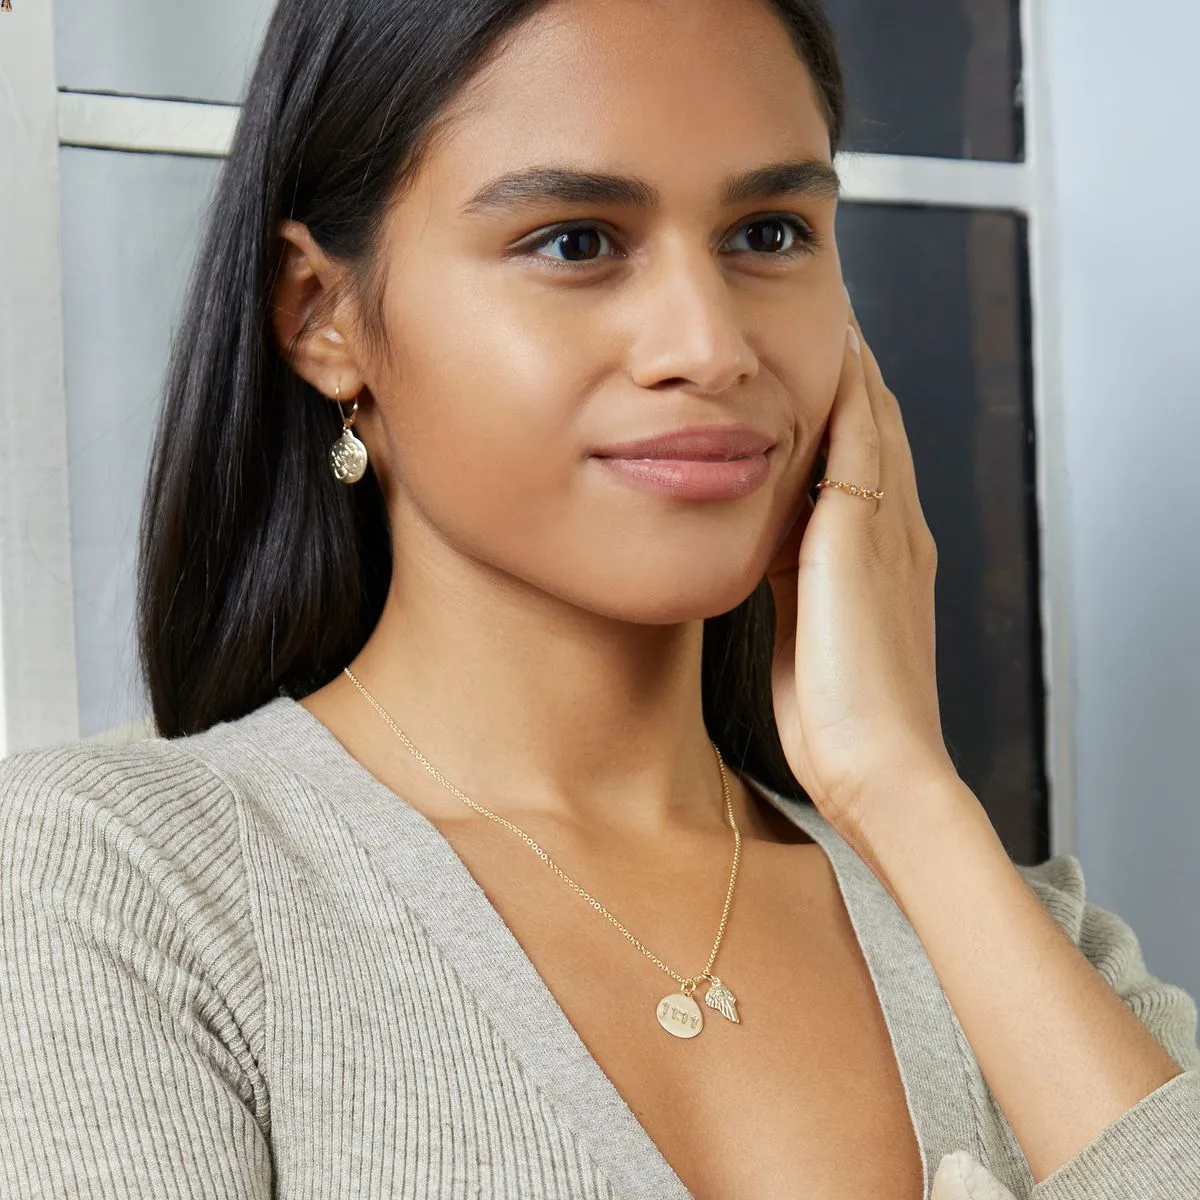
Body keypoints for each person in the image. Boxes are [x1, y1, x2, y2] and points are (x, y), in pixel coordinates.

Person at [2, 1, 1197, 1196]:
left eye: (770, 232)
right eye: (576, 241)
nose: (710, 344)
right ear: (320, 314)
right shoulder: (121, 886)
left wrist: (903, 789)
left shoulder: (1030, 945)